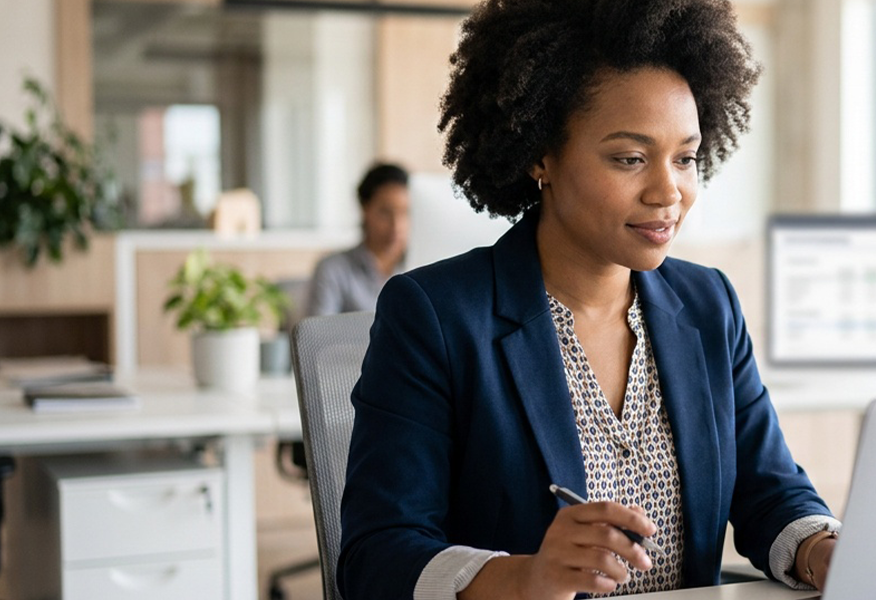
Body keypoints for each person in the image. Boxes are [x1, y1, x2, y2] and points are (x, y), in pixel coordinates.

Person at [337, 1, 840, 599]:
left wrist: (822, 550)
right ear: (540, 156)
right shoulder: (435, 316)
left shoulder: (708, 304)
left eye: (685, 158)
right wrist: (526, 577)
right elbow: (376, 556)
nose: (668, 191)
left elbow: (771, 493)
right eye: (630, 158)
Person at [304, 163, 410, 317]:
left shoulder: (421, 267)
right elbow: (318, 339)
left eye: (405, 212)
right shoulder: (333, 270)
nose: (396, 225)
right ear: (365, 210)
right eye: (385, 212)